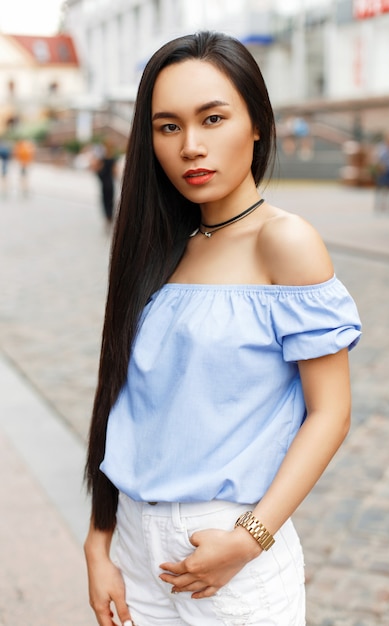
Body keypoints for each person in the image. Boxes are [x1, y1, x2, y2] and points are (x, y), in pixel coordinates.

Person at [84, 31, 361, 626]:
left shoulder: (284, 242)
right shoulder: (159, 248)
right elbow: (124, 401)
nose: (191, 146)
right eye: (168, 127)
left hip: (233, 555)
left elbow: (330, 412)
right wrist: (100, 538)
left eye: (213, 118)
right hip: (135, 546)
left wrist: (249, 538)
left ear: (257, 123)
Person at [91, 138, 118, 230]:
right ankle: (110, 218)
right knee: (110, 201)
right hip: (110, 184)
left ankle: (107, 219)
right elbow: (115, 172)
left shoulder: (102, 159)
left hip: (104, 184)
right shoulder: (113, 159)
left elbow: (95, 168)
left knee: (105, 201)